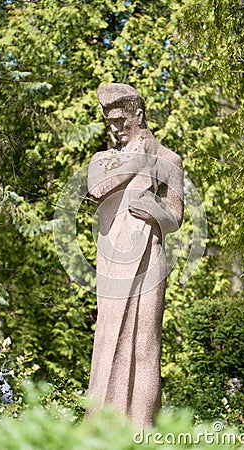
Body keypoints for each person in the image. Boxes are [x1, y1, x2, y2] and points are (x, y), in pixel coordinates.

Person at [87, 83, 184, 427]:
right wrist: (139, 159)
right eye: (108, 121)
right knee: (108, 335)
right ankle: (100, 423)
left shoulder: (170, 160)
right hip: (113, 258)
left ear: (138, 116)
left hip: (149, 259)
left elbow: (176, 216)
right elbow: (97, 188)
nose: (114, 128)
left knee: (145, 343)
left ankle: (143, 425)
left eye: (120, 120)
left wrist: (154, 211)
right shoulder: (104, 159)